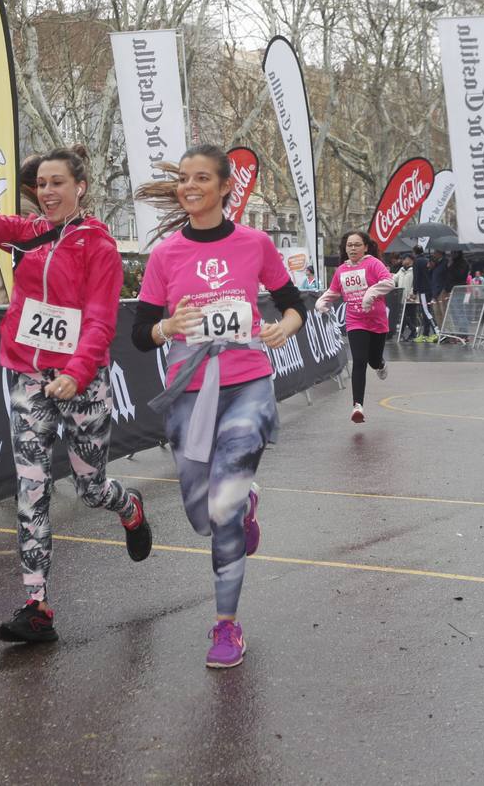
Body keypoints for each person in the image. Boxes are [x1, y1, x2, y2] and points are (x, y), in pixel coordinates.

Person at [0, 136, 152, 644]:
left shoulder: (98, 246)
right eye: (41, 185)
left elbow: (101, 322)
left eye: (59, 183)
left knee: (90, 488)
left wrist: (76, 373)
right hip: (27, 378)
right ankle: (36, 605)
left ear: (81, 188)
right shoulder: (27, 233)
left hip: (82, 382)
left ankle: (129, 508)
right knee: (31, 488)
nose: (49, 192)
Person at [131, 144, 304, 669]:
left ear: (226, 187)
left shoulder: (254, 244)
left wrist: (283, 329)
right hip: (189, 388)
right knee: (201, 516)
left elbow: (294, 304)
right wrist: (168, 327)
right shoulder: (165, 256)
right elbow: (140, 334)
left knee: (221, 509)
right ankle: (245, 501)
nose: (188, 186)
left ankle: (226, 625)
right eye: (183, 178)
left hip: (247, 383)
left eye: (201, 178)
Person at [315, 230, 394, 423]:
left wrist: (371, 293)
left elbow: (389, 282)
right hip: (355, 321)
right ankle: (357, 406)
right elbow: (334, 291)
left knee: (373, 361)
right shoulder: (342, 270)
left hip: (376, 321)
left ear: (365, 247)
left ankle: (380, 364)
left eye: (357, 244)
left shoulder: (373, 263)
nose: (352, 248)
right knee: (359, 360)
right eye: (349, 245)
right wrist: (323, 301)